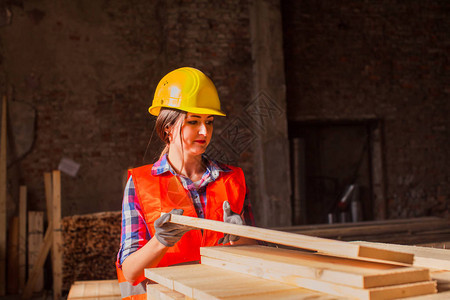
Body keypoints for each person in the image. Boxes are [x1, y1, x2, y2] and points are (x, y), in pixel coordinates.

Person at [116, 67, 256, 299]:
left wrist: (240, 235)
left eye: (209, 122)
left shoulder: (233, 180)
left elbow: (256, 254)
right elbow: (130, 272)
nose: (204, 131)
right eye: (193, 122)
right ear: (167, 128)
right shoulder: (140, 183)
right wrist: (160, 242)